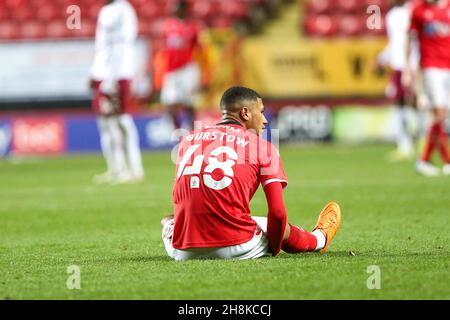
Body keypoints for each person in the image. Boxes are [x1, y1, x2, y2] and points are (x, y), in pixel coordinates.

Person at [161, 86, 341, 260]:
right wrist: (273, 248)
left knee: (169, 220)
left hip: (182, 250)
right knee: (271, 225)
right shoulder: (264, 147)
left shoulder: (188, 140)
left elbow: (183, 196)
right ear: (245, 113)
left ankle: (171, 225)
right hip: (238, 246)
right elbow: (278, 213)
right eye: (261, 112)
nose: (265, 119)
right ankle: (319, 238)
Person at [90, 0, 145, 184]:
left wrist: (110, 78)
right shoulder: (105, 10)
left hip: (119, 74)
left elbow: (122, 44)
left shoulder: (124, 10)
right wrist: (95, 72)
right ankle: (115, 168)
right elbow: (101, 46)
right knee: (105, 122)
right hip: (102, 74)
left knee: (122, 119)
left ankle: (135, 168)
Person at [404, 0, 450, 176]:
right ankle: (445, 161)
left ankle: (425, 161)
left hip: (448, 66)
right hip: (432, 67)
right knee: (439, 113)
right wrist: (408, 66)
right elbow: (410, 38)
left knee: (440, 116)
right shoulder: (418, 9)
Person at [377, 0, 419, 161]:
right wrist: (382, 58)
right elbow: (394, 43)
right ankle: (406, 144)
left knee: (414, 103)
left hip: (410, 64)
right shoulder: (392, 15)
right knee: (401, 103)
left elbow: (413, 39)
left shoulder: (413, 11)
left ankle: (416, 141)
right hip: (399, 66)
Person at [160, 0, 204, 130]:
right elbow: (165, 48)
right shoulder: (168, 26)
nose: (174, 9)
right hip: (171, 71)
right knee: (169, 103)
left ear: (184, 9)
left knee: (189, 103)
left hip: (187, 69)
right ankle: (177, 132)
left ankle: (193, 131)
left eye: (177, 7)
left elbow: (200, 48)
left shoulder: (193, 27)